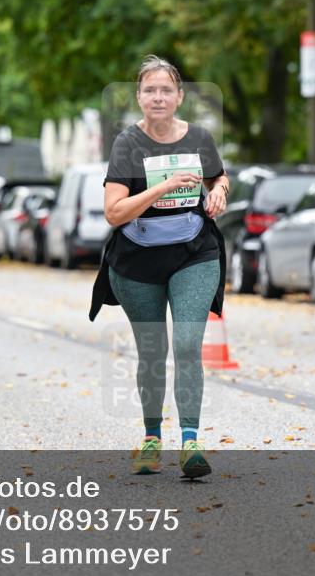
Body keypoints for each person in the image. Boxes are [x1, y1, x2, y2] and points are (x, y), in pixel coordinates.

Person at [90, 55, 230, 479]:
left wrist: (220, 191)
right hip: (137, 260)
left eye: (166, 89)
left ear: (179, 96)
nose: (158, 97)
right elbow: (114, 212)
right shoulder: (127, 145)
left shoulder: (200, 137)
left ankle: (190, 442)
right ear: (138, 97)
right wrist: (163, 187)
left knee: (188, 345)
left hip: (194, 254)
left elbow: (219, 177)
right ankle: (152, 438)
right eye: (149, 90)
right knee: (153, 351)